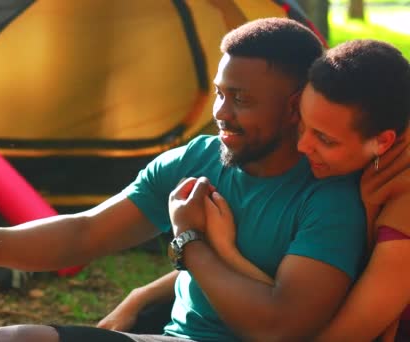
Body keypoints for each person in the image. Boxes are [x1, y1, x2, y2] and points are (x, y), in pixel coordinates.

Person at [0, 18, 368, 341]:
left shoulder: (328, 199)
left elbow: (281, 326)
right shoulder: (198, 159)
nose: (221, 113)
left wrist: (189, 241)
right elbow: (85, 233)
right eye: (219, 93)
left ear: (294, 108)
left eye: (242, 99)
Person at [100, 39, 410, 341]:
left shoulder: (402, 209)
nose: (302, 146)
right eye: (303, 126)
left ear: (383, 141)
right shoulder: (360, 163)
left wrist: (213, 247)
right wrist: (141, 297)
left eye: (325, 139)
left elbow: (309, 331)